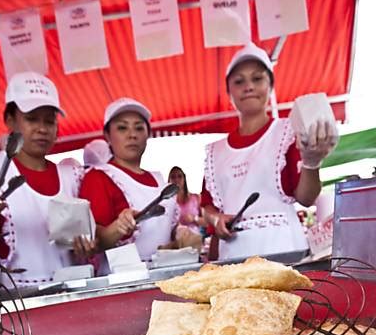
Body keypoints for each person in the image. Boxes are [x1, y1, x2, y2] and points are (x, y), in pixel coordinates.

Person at [201, 42, 338, 261]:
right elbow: (207, 205)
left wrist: (312, 163)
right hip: (233, 258)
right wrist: (216, 218)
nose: (248, 87)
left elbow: (306, 197)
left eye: (257, 78)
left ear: (270, 86)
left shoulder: (289, 131)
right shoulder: (216, 152)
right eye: (239, 81)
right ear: (229, 93)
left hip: (284, 251)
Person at [0, 72, 95, 288]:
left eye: (50, 121)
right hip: (15, 305)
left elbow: (94, 237)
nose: (42, 129)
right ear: (9, 120)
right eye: (31, 119)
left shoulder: (73, 176)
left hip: (72, 295)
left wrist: (89, 245)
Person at [79, 98, 178, 273]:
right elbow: (95, 240)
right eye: (122, 128)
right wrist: (118, 227)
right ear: (108, 136)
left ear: (148, 134)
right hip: (121, 283)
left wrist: (182, 235)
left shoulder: (158, 179)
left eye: (139, 127)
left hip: (165, 274)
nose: (132, 134)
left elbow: (169, 228)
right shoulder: (98, 177)